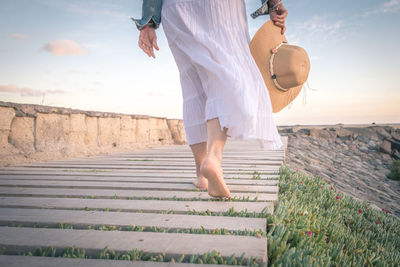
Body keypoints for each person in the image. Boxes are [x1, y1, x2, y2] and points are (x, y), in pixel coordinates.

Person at [132, 0, 288, 198]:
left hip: (177, 8)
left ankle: (202, 175)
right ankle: (213, 158)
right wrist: (274, 3)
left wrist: (148, 22)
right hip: (221, 7)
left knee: (193, 86)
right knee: (224, 75)